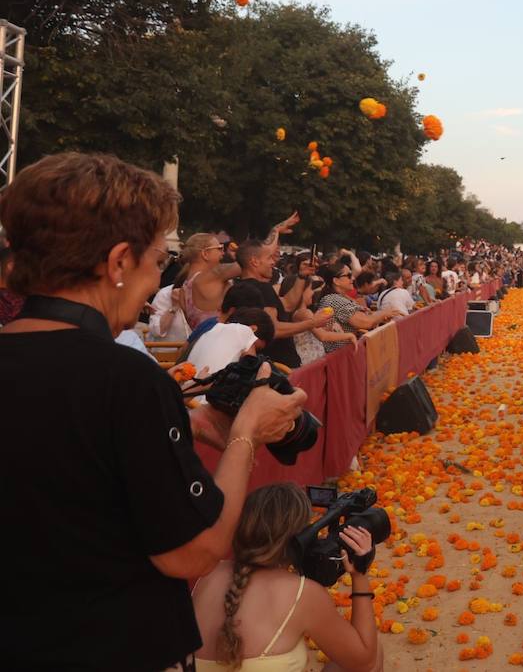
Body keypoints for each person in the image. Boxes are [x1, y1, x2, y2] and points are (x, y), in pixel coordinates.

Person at [1, 152, 306, 671]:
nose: (153, 280)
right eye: (156, 260)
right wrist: (246, 433)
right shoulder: (125, 380)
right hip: (107, 645)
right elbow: (193, 550)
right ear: (119, 261)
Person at [192, 484, 381, 672]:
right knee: (373, 653)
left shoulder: (208, 573)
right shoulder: (302, 593)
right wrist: (359, 575)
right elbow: (364, 662)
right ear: (299, 539)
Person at [234, 239, 336, 369]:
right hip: (278, 366)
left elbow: (287, 305)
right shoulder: (262, 288)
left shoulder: (237, 288)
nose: (273, 262)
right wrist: (313, 322)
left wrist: (302, 276)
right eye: (269, 258)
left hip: (263, 364)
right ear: (254, 261)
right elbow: (274, 329)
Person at [316, 264, 395, 353]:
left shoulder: (338, 297)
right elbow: (365, 322)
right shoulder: (335, 300)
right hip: (340, 356)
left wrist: (379, 318)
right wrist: (383, 313)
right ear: (336, 281)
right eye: (348, 276)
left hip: (343, 354)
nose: (353, 278)